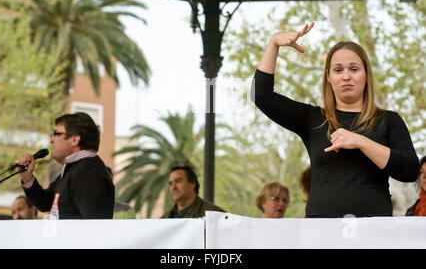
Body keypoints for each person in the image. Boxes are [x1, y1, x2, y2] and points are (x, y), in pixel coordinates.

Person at [252, 22, 419, 218]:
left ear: (366, 75)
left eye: (354, 69)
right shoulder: (313, 119)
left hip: (373, 232)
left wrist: (360, 142)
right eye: (338, 70)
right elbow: (260, 95)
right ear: (329, 77)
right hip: (322, 232)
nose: (346, 76)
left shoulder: (388, 120)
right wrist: (274, 44)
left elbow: (409, 171)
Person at [15, 112, 115, 219]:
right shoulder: (76, 167)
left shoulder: (90, 173)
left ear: (74, 139)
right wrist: (27, 178)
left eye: (56, 134)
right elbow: (46, 203)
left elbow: (94, 226)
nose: (51, 140)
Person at [161, 165, 225, 218]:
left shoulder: (215, 215)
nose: (173, 187)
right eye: (170, 183)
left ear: (193, 184)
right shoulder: (164, 219)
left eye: (178, 181)